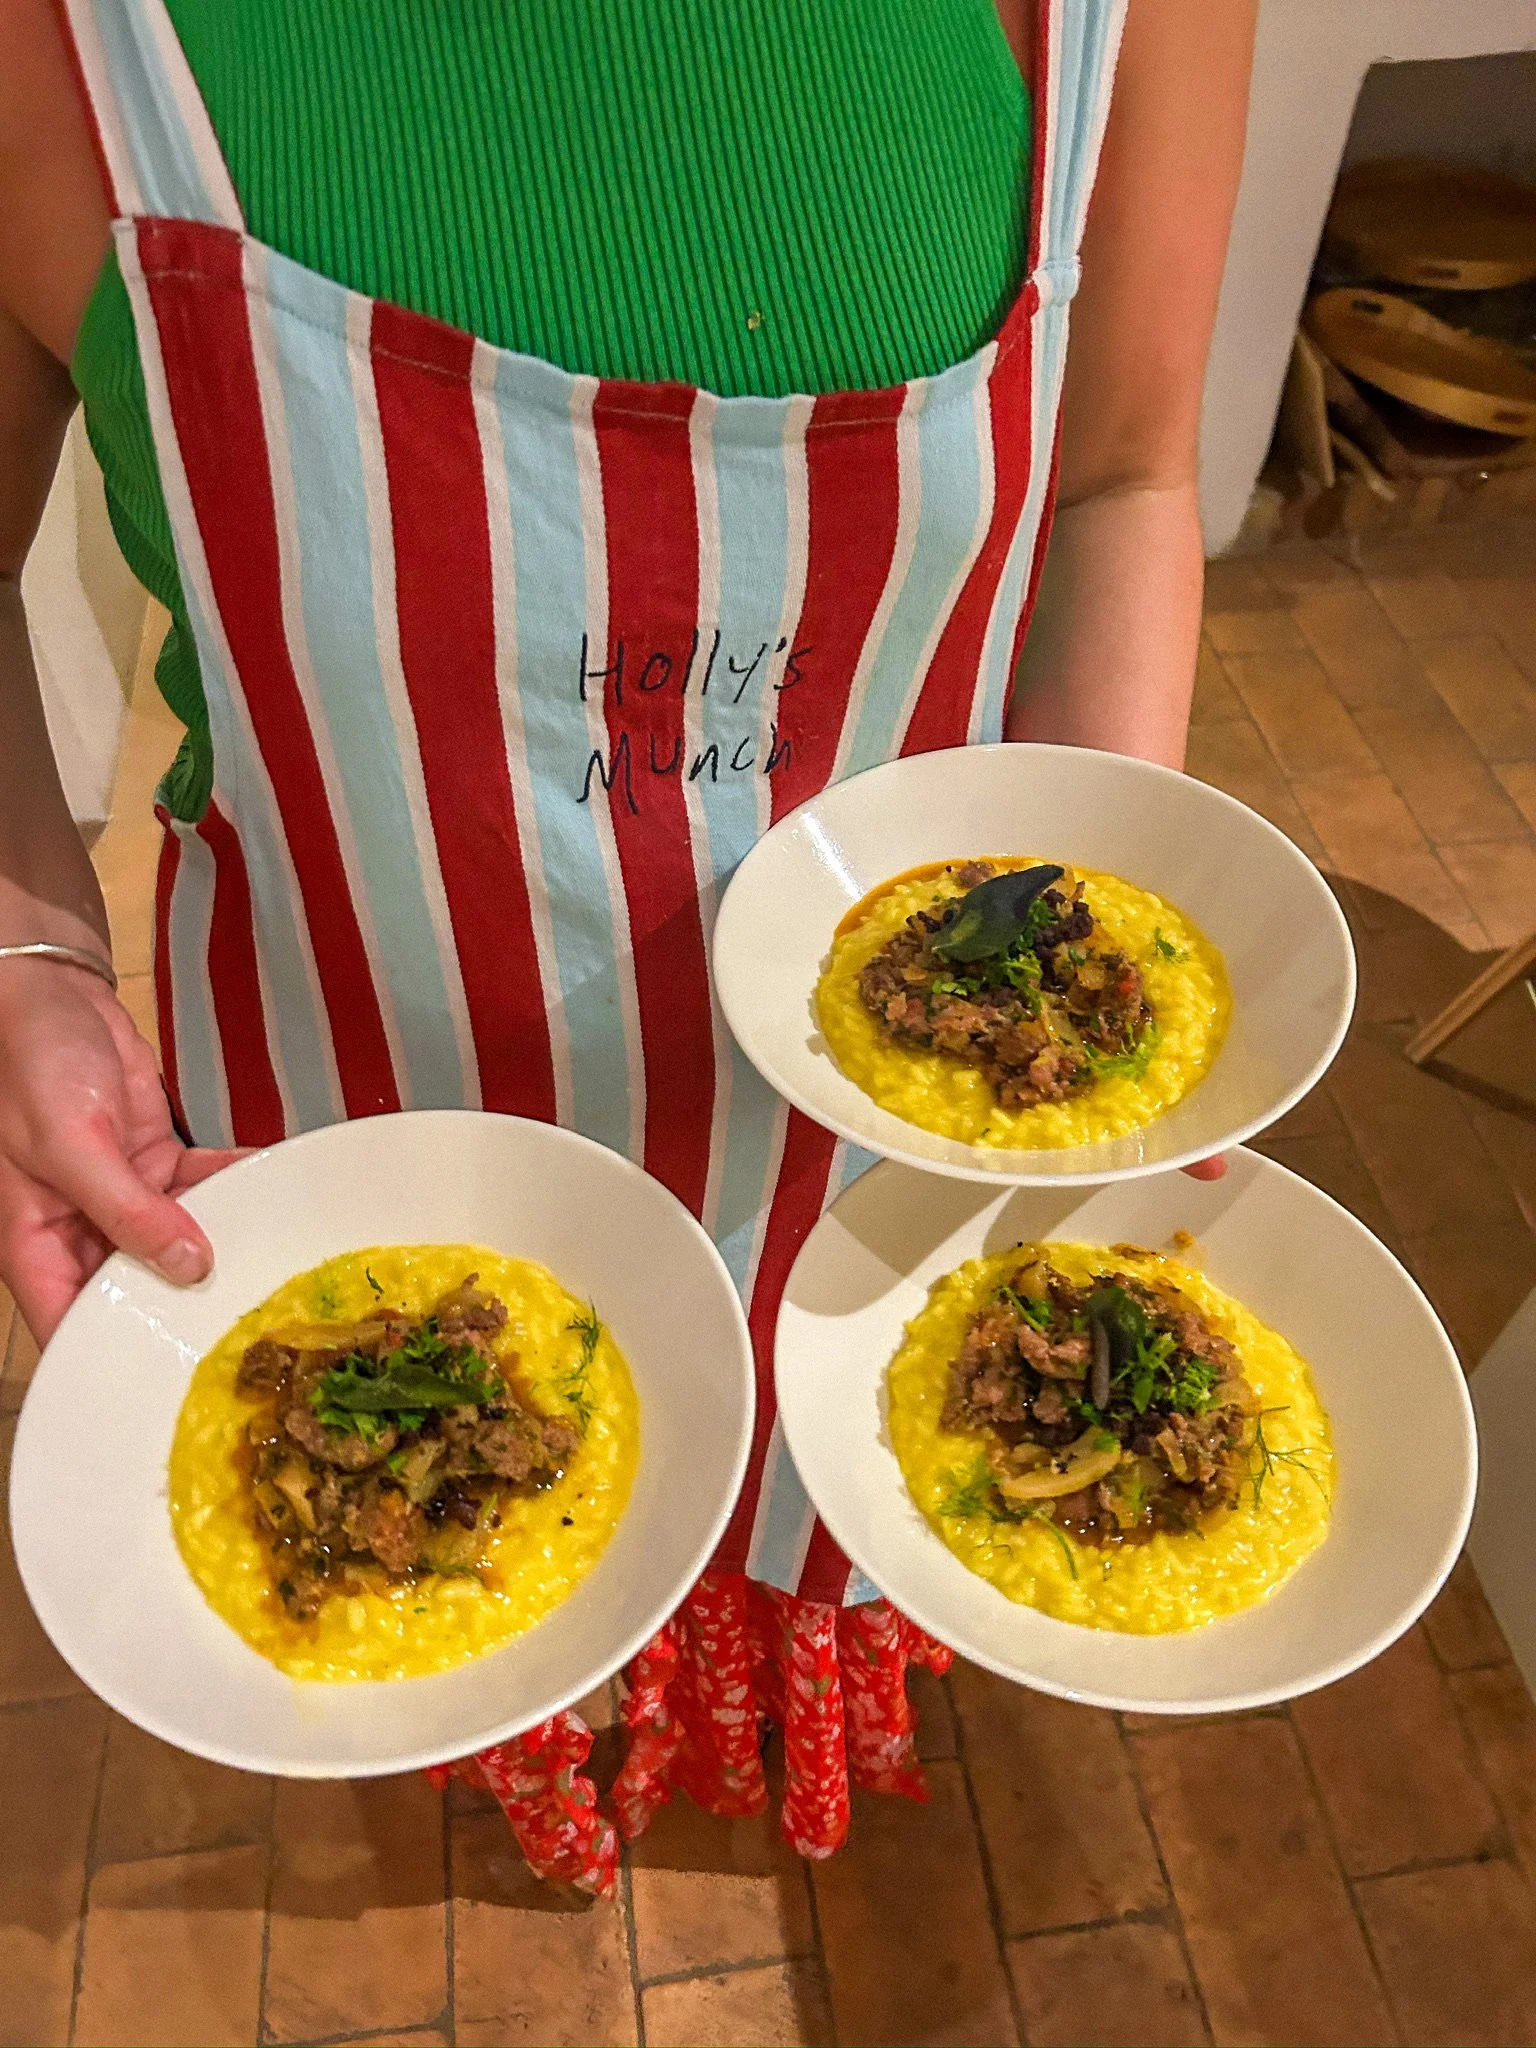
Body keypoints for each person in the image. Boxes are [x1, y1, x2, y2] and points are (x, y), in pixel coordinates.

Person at [0, 0, 1253, 1885]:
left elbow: (1123, 479)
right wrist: (26, 958)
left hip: (880, 1166)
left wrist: (1099, 967)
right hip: (335, 1122)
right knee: (419, 1564)